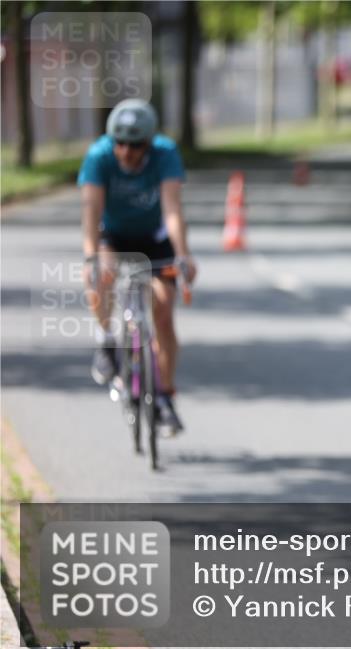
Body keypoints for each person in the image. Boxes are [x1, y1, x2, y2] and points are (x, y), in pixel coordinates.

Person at [79, 98, 197, 437]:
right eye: (120, 143)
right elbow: (90, 211)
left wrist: (183, 254)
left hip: (153, 237)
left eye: (135, 145)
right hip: (112, 235)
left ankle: (165, 396)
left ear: (149, 143)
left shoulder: (165, 153)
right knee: (101, 274)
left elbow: (173, 211)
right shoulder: (98, 156)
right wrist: (91, 256)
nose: (126, 151)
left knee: (163, 310)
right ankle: (105, 342)